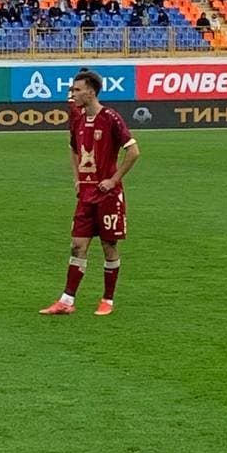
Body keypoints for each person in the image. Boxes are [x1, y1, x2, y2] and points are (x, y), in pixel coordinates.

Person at [40, 70, 140, 317]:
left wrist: (113, 179)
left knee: (109, 246)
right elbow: (73, 149)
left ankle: (107, 299)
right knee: (77, 245)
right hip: (85, 195)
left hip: (108, 195)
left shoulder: (111, 118)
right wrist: (76, 180)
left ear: (90, 92)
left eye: (76, 90)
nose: (72, 95)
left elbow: (134, 151)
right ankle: (67, 300)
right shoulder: (77, 119)